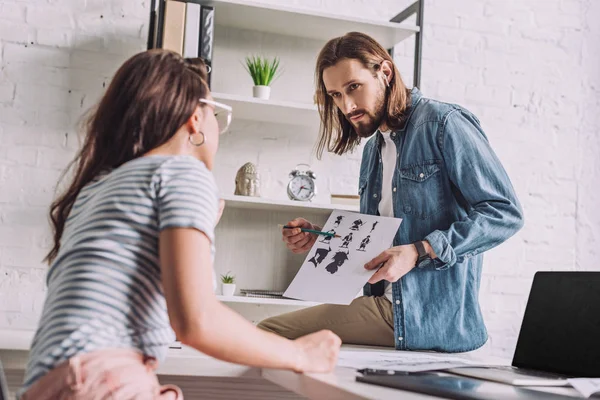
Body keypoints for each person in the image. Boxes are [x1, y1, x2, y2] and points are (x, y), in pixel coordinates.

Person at [19, 49, 341, 400]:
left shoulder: (96, 188)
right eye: (215, 113)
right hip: (103, 381)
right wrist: (300, 354)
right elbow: (196, 320)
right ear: (194, 119)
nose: (218, 124)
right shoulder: (183, 172)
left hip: (53, 382)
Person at [258, 32, 524, 353]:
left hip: (421, 317)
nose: (347, 105)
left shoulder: (442, 124)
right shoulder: (374, 150)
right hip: (383, 303)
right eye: (336, 95)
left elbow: (504, 213)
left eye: (354, 87)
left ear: (384, 72)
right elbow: (381, 242)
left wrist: (419, 251)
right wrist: (322, 239)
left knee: (267, 332)